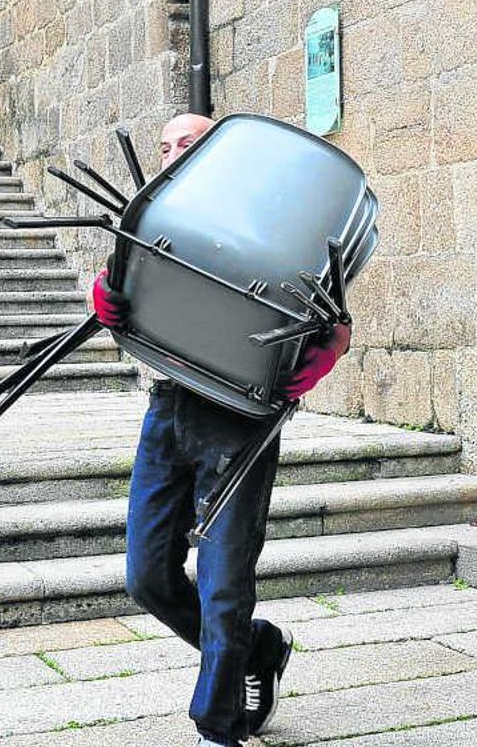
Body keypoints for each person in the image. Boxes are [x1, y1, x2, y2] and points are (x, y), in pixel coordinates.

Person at [90, 113, 350, 746]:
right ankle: (258, 648)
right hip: (169, 408)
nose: (174, 152)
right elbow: (129, 290)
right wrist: (106, 294)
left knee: (224, 581)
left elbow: (329, 313)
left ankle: (217, 726)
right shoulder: (157, 225)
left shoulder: (271, 228)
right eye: (166, 146)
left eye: (189, 142)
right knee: (148, 577)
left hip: (241, 421)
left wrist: (329, 347)